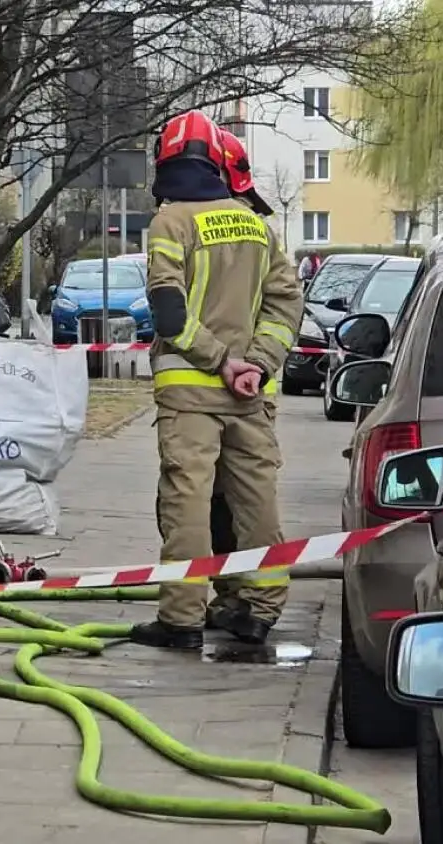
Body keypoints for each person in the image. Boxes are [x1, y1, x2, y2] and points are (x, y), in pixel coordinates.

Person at [128, 110, 303, 650]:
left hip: (190, 393)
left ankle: (182, 617)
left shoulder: (171, 223)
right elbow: (286, 304)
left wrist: (221, 360)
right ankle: (259, 609)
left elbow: (169, 314)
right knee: (256, 502)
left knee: (188, 503)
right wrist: (258, 362)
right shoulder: (257, 225)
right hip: (252, 397)